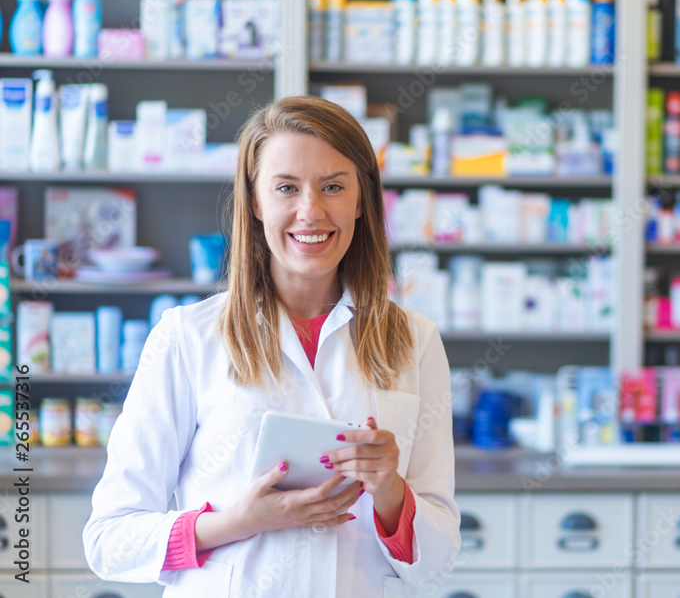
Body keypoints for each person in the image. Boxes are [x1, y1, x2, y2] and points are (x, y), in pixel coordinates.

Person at [83, 96, 461, 597]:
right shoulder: (186, 337)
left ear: (362, 201)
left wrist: (390, 489)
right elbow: (109, 539)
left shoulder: (414, 340)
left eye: (333, 187)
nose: (311, 211)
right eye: (287, 187)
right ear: (256, 202)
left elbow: (438, 561)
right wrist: (236, 522)